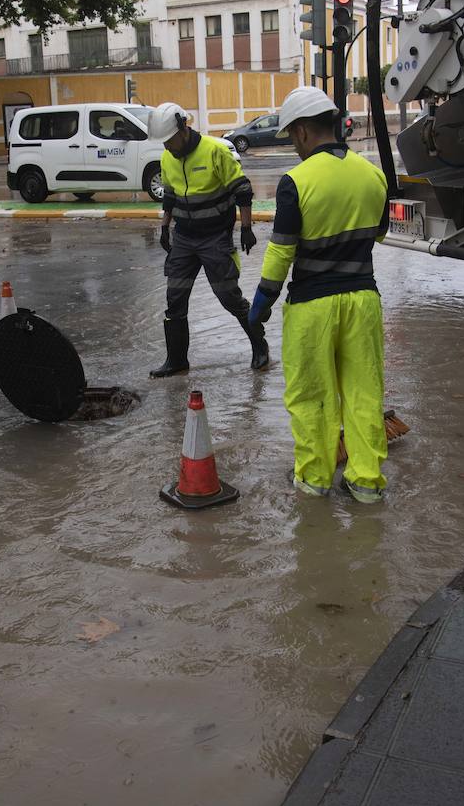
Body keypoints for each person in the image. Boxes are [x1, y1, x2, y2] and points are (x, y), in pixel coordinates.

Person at [247, 87, 389, 503]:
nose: (293, 144)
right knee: (364, 392)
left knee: (311, 396)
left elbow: (281, 249)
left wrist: (263, 300)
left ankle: (314, 479)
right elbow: (378, 233)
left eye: (292, 135)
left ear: (305, 131)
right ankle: (365, 482)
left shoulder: (297, 181)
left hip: (313, 306)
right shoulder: (372, 174)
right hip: (364, 301)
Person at [147, 102, 270, 377]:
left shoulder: (215, 151)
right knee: (174, 299)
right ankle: (176, 360)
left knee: (228, 296)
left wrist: (246, 228)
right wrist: (165, 227)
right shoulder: (168, 158)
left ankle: (259, 345)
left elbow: (243, 189)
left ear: (183, 127)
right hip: (184, 239)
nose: (166, 147)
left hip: (215, 238)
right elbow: (170, 194)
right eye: (162, 143)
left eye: (169, 140)